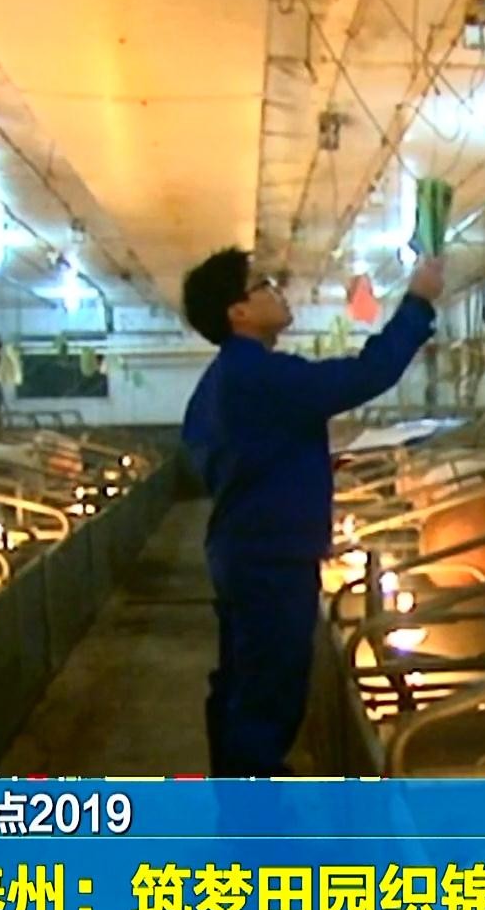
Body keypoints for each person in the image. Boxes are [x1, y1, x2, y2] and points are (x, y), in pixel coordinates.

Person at [179, 249, 443, 776]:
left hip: (243, 549)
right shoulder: (259, 374)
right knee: (270, 693)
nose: (278, 291)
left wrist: (300, 460)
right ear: (238, 312)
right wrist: (417, 303)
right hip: (271, 560)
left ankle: (235, 797)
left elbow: (223, 455)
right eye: (263, 285)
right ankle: (258, 812)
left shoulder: (224, 379)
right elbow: (367, 373)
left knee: (241, 681)